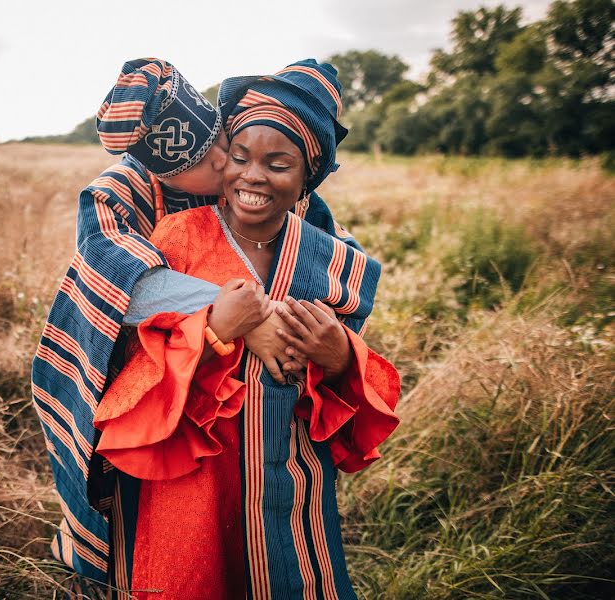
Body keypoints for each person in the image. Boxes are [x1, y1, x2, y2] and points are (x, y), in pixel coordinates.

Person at [31, 58, 384, 591]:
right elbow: (117, 285)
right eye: (221, 156)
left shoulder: (294, 202)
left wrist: (334, 351)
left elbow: (330, 279)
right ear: (163, 169)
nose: (229, 167)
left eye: (226, 142)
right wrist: (236, 319)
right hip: (180, 432)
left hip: (278, 452)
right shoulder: (130, 195)